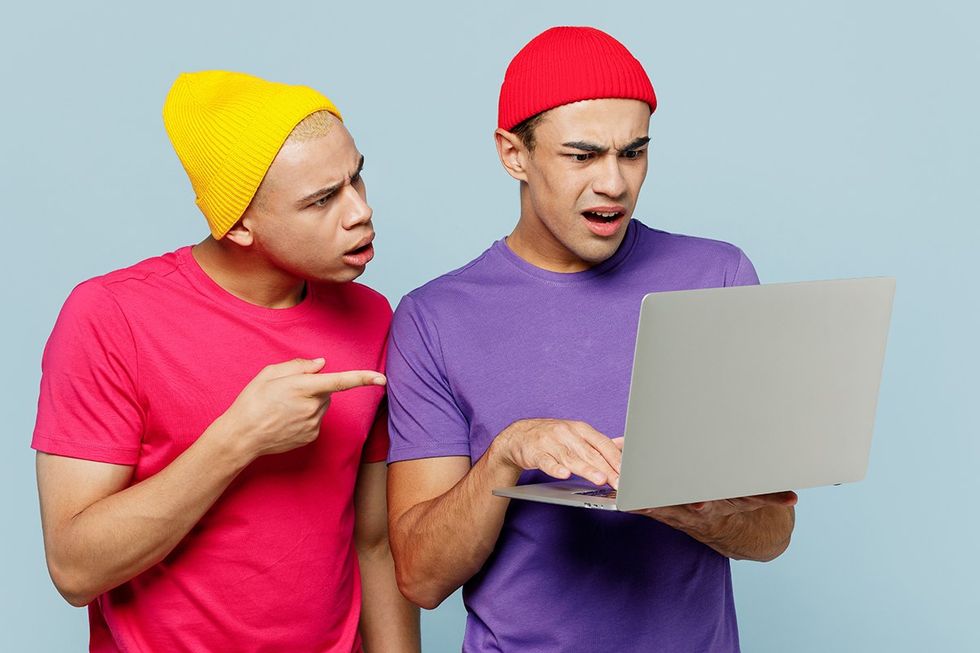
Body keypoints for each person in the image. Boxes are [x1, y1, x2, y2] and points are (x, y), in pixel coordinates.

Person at [385, 27, 797, 652]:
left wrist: (697, 511)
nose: (615, 183)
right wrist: (505, 454)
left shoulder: (717, 277)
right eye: (582, 156)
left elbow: (773, 534)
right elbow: (419, 576)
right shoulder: (433, 318)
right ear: (512, 153)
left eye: (633, 153)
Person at [33, 70, 420, 652]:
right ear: (238, 223)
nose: (359, 211)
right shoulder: (109, 316)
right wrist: (237, 439)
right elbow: (74, 568)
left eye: (356, 177)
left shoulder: (372, 318)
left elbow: (374, 542)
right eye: (322, 200)